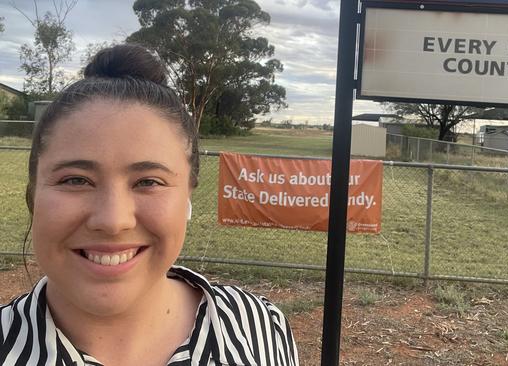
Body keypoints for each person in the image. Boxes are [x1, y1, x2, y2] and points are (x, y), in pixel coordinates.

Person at [0, 44, 299, 366]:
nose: (113, 220)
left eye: (148, 182)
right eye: (75, 180)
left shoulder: (258, 325)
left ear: (188, 193)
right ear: (33, 194)